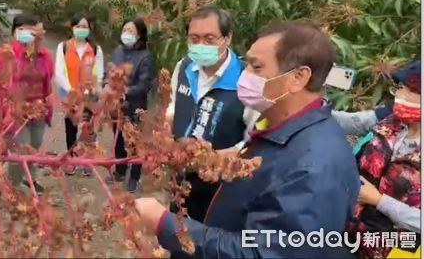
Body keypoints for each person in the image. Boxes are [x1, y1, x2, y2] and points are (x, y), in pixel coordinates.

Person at [135, 21, 360, 258]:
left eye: (256, 67)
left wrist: (164, 224)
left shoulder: (313, 166)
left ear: (298, 77)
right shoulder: (284, 131)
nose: (244, 75)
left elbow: (264, 253)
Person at [165, 5, 259, 223]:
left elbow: (256, 137)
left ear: (227, 39)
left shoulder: (245, 80)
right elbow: (174, 103)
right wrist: (168, 125)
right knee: (177, 235)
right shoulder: (184, 67)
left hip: (220, 188)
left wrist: (230, 154)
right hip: (181, 178)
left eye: (209, 39)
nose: (200, 46)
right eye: (194, 38)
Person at [344, 60, 421, 259]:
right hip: (351, 237)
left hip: (395, 250)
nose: (401, 94)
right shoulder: (391, 120)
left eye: (412, 91)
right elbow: (351, 122)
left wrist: (379, 201)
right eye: (402, 87)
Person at [1, 13, 54, 193]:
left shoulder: (44, 55)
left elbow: (48, 81)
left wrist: (48, 100)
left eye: (30, 29)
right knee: (20, 151)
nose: (25, 33)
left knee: (34, 146)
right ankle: (12, 187)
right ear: (14, 32)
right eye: (21, 29)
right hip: (17, 113)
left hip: (38, 110)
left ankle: (30, 178)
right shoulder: (8, 54)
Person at [108, 17, 155, 192]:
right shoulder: (117, 52)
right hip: (116, 105)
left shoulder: (145, 57)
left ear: (140, 35)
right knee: (118, 137)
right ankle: (120, 170)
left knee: (135, 142)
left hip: (135, 106)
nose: (126, 34)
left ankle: (134, 176)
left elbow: (144, 85)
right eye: (124, 30)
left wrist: (125, 92)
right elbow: (110, 74)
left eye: (131, 31)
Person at [54, 15, 104, 175]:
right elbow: (59, 72)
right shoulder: (63, 47)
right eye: (79, 26)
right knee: (71, 129)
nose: (82, 29)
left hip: (89, 97)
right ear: (73, 27)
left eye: (85, 27)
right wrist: (71, 91)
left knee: (88, 129)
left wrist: (91, 90)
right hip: (70, 96)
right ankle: (71, 160)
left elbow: (99, 74)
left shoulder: (95, 49)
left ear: (89, 29)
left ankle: (87, 161)